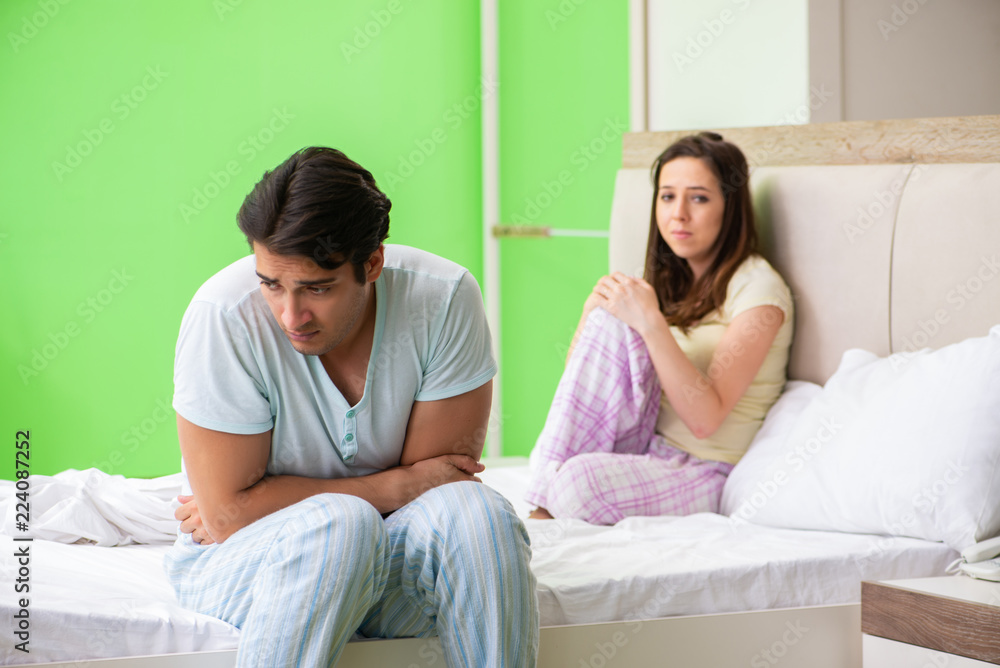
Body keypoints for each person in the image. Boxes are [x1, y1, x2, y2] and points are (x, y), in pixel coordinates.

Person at [164, 147, 538, 667]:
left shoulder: (444, 299)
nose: (291, 315)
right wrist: (388, 486)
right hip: (243, 564)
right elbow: (230, 520)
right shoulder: (224, 316)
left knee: (481, 518)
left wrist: (272, 500)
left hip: (389, 564)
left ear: (372, 263)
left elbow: (438, 488)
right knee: (340, 527)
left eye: (317, 288)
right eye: (271, 285)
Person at [526, 132, 793, 525]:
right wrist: (591, 311)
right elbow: (579, 389)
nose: (678, 213)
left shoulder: (760, 292)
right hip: (646, 446)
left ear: (730, 207)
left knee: (576, 484)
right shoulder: (671, 282)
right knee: (608, 316)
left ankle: (541, 507)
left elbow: (705, 421)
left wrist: (651, 323)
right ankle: (541, 504)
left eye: (698, 197)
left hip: (706, 468)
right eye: (667, 196)